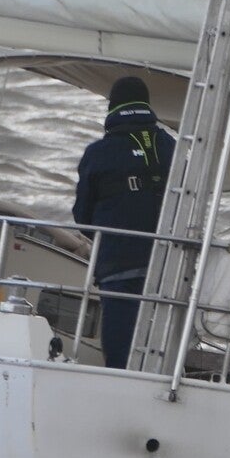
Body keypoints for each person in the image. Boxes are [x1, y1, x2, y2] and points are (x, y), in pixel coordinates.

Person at [72, 76, 176, 369]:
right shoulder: (172, 147)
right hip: (167, 266)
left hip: (118, 265)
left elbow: (82, 216)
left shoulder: (98, 153)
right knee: (160, 348)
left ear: (113, 107)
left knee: (119, 351)